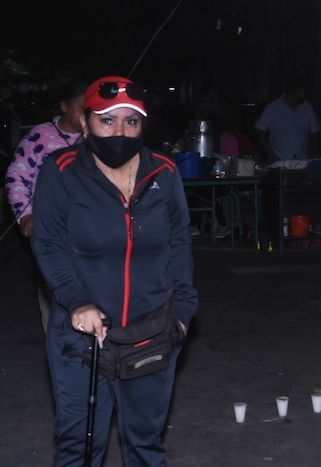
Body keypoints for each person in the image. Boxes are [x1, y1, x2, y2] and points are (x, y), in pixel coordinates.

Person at [31, 75, 198, 466]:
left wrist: (184, 312)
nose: (119, 131)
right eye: (107, 120)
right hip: (81, 336)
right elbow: (48, 244)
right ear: (85, 121)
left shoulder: (164, 172)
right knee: (79, 446)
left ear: (143, 125)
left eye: (130, 121)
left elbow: (179, 242)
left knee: (145, 445)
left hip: (151, 332)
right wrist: (76, 301)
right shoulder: (62, 170)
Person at [4, 81, 86, 332]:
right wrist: (25, 215)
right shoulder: (40, 136)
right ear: (64, 106)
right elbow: (17, 176)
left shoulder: (97, 137)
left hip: (87, 227)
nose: (86, 114)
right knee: (54, 290)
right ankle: (58, 342)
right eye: (80, 108)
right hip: (48, 226)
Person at [255, 77, 320, 162]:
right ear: (291, 93)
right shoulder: (273, 107)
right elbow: (260, 131)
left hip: (302, 159)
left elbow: (314, 132)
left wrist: (315, 156)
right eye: (300, 94)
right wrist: (270, 153)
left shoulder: (308, 108)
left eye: (304, 94)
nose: (303, 96)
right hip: (278, 158)